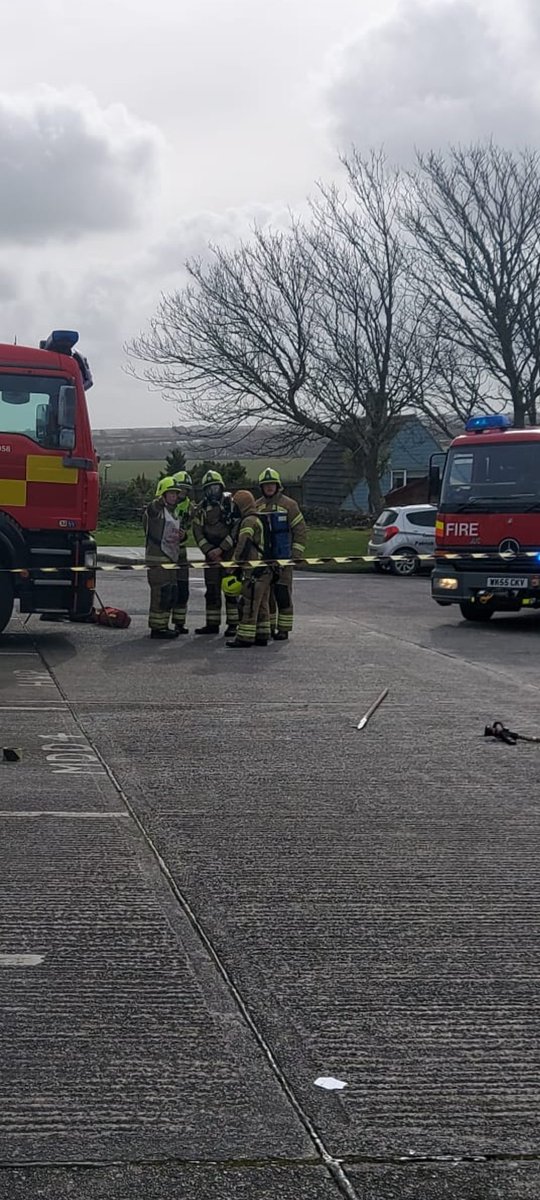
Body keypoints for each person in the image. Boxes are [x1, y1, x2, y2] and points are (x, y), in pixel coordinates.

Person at [256, 467, 307, 640]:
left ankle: (284, 629)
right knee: (266, 594)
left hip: (284, 557)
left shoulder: (289, 505)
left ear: (278, 486)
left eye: (272, 484)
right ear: (261, 487)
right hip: (264, 558)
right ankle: (269, 626)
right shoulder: (257, 506)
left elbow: (300, 530)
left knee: (283, 593)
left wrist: (296, 553)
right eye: (266, 485)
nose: (269, 488)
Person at [192, 470, 239, 636]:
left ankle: (234, 624)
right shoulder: (200, 509)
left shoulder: (231, 504)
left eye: (216, 488)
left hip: (228, 553)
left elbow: (236, 528)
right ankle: (212, 624)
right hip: (210, 555)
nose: (213, 492)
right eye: (209, 489)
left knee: (231, 588)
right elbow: (197, 532)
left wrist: (223, 548)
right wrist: (209, 550)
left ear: (221, 488)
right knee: (211, 589)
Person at [226, 490, 272, 649]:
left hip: (254, 570)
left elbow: (243, 543)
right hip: (266, 570)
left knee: (249, 603)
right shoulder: (259, 519)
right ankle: (262, 634)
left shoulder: (248, 522)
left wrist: (234, 563)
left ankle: (245, 637)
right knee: (262, 605)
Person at [143, 476, 185, 639]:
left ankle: (164, 625)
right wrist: (160, 500)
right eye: (171, 493)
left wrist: (183, 535)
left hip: (170, 560)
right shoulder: (156, 512)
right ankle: (157, 628)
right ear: (163, 494)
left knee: (170, 594)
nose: (175, 496)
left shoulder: (173, 513)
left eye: (176, 493)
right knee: (160, 594)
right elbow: (151, 509)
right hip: (157, 561)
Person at [171, 471, 194, 634]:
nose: (183, 493)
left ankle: (179, 623)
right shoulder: (163, 504)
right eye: (181, 489)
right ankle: (162, 624)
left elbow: (190, 527)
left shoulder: (189, 507)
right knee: (167, 590)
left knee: (182, 589)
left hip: (181, 553)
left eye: (186, 490)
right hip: (165, 552)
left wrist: (184, 534)